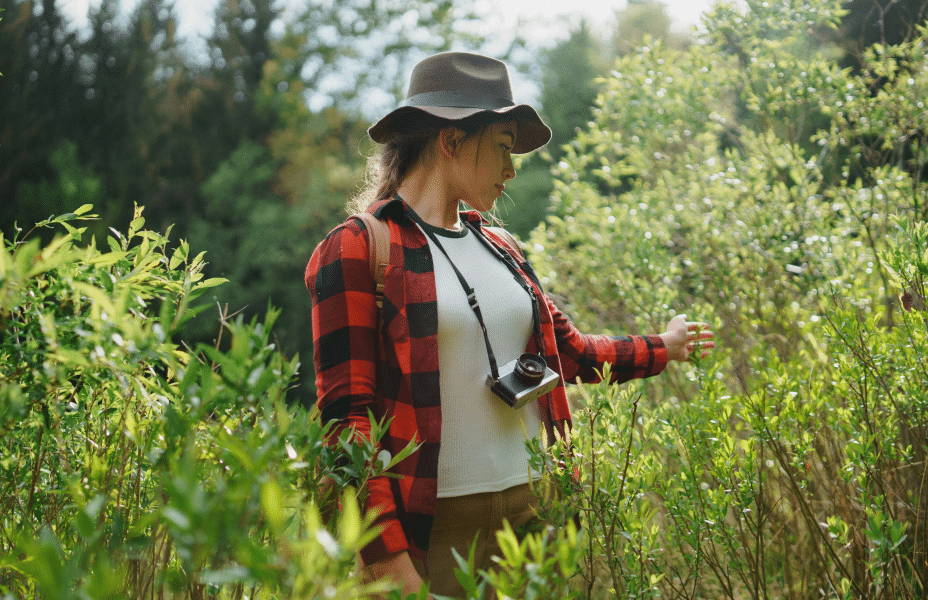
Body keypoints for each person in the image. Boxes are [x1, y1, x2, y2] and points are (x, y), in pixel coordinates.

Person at [304, 51, 715, 598]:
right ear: (450, 141)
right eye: (501, 146)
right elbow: (346, 425)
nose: (512, 169)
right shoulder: (360, 249)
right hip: (433, 531)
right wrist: (388, 561)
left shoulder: (502, 249)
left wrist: (665, 346)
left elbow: (569, 355)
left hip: (534, 520)